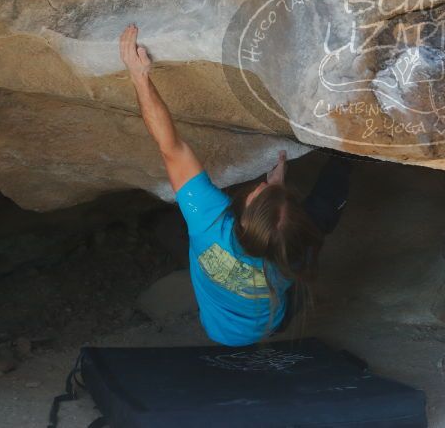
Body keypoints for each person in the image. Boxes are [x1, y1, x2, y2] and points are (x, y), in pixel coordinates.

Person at [119, 24, 350, 346]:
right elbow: (283, 228)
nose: (259, 186)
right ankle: (348, 154)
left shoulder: (209, 221)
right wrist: (276, 192)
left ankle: (344, 159)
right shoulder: (293, 253)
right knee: (322, 211)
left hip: (220, 331)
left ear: (241, 218)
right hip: (273, 322)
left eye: (258, 193)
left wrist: (138, 76)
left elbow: (171, 147)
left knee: (316, 220)